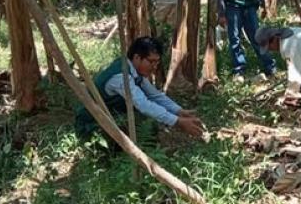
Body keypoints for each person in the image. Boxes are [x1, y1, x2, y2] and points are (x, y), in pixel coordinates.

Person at [74, 37, 205, 144]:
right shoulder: (121, 77)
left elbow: (155, 96)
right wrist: (178, 122)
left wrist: (179, 111)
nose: (154, 67)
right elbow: (143, 105)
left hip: (111, 118)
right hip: (92, 125)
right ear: (137, 58)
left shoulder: (135, 72)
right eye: (151, 62)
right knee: (144, 118)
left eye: (157, 63)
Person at [255, 26, 301, 102]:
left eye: (269, 47)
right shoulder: (294, 30)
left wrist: (289, 95)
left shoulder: (288, 46)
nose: (271, 50)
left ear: (274, 38)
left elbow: (295, 74)